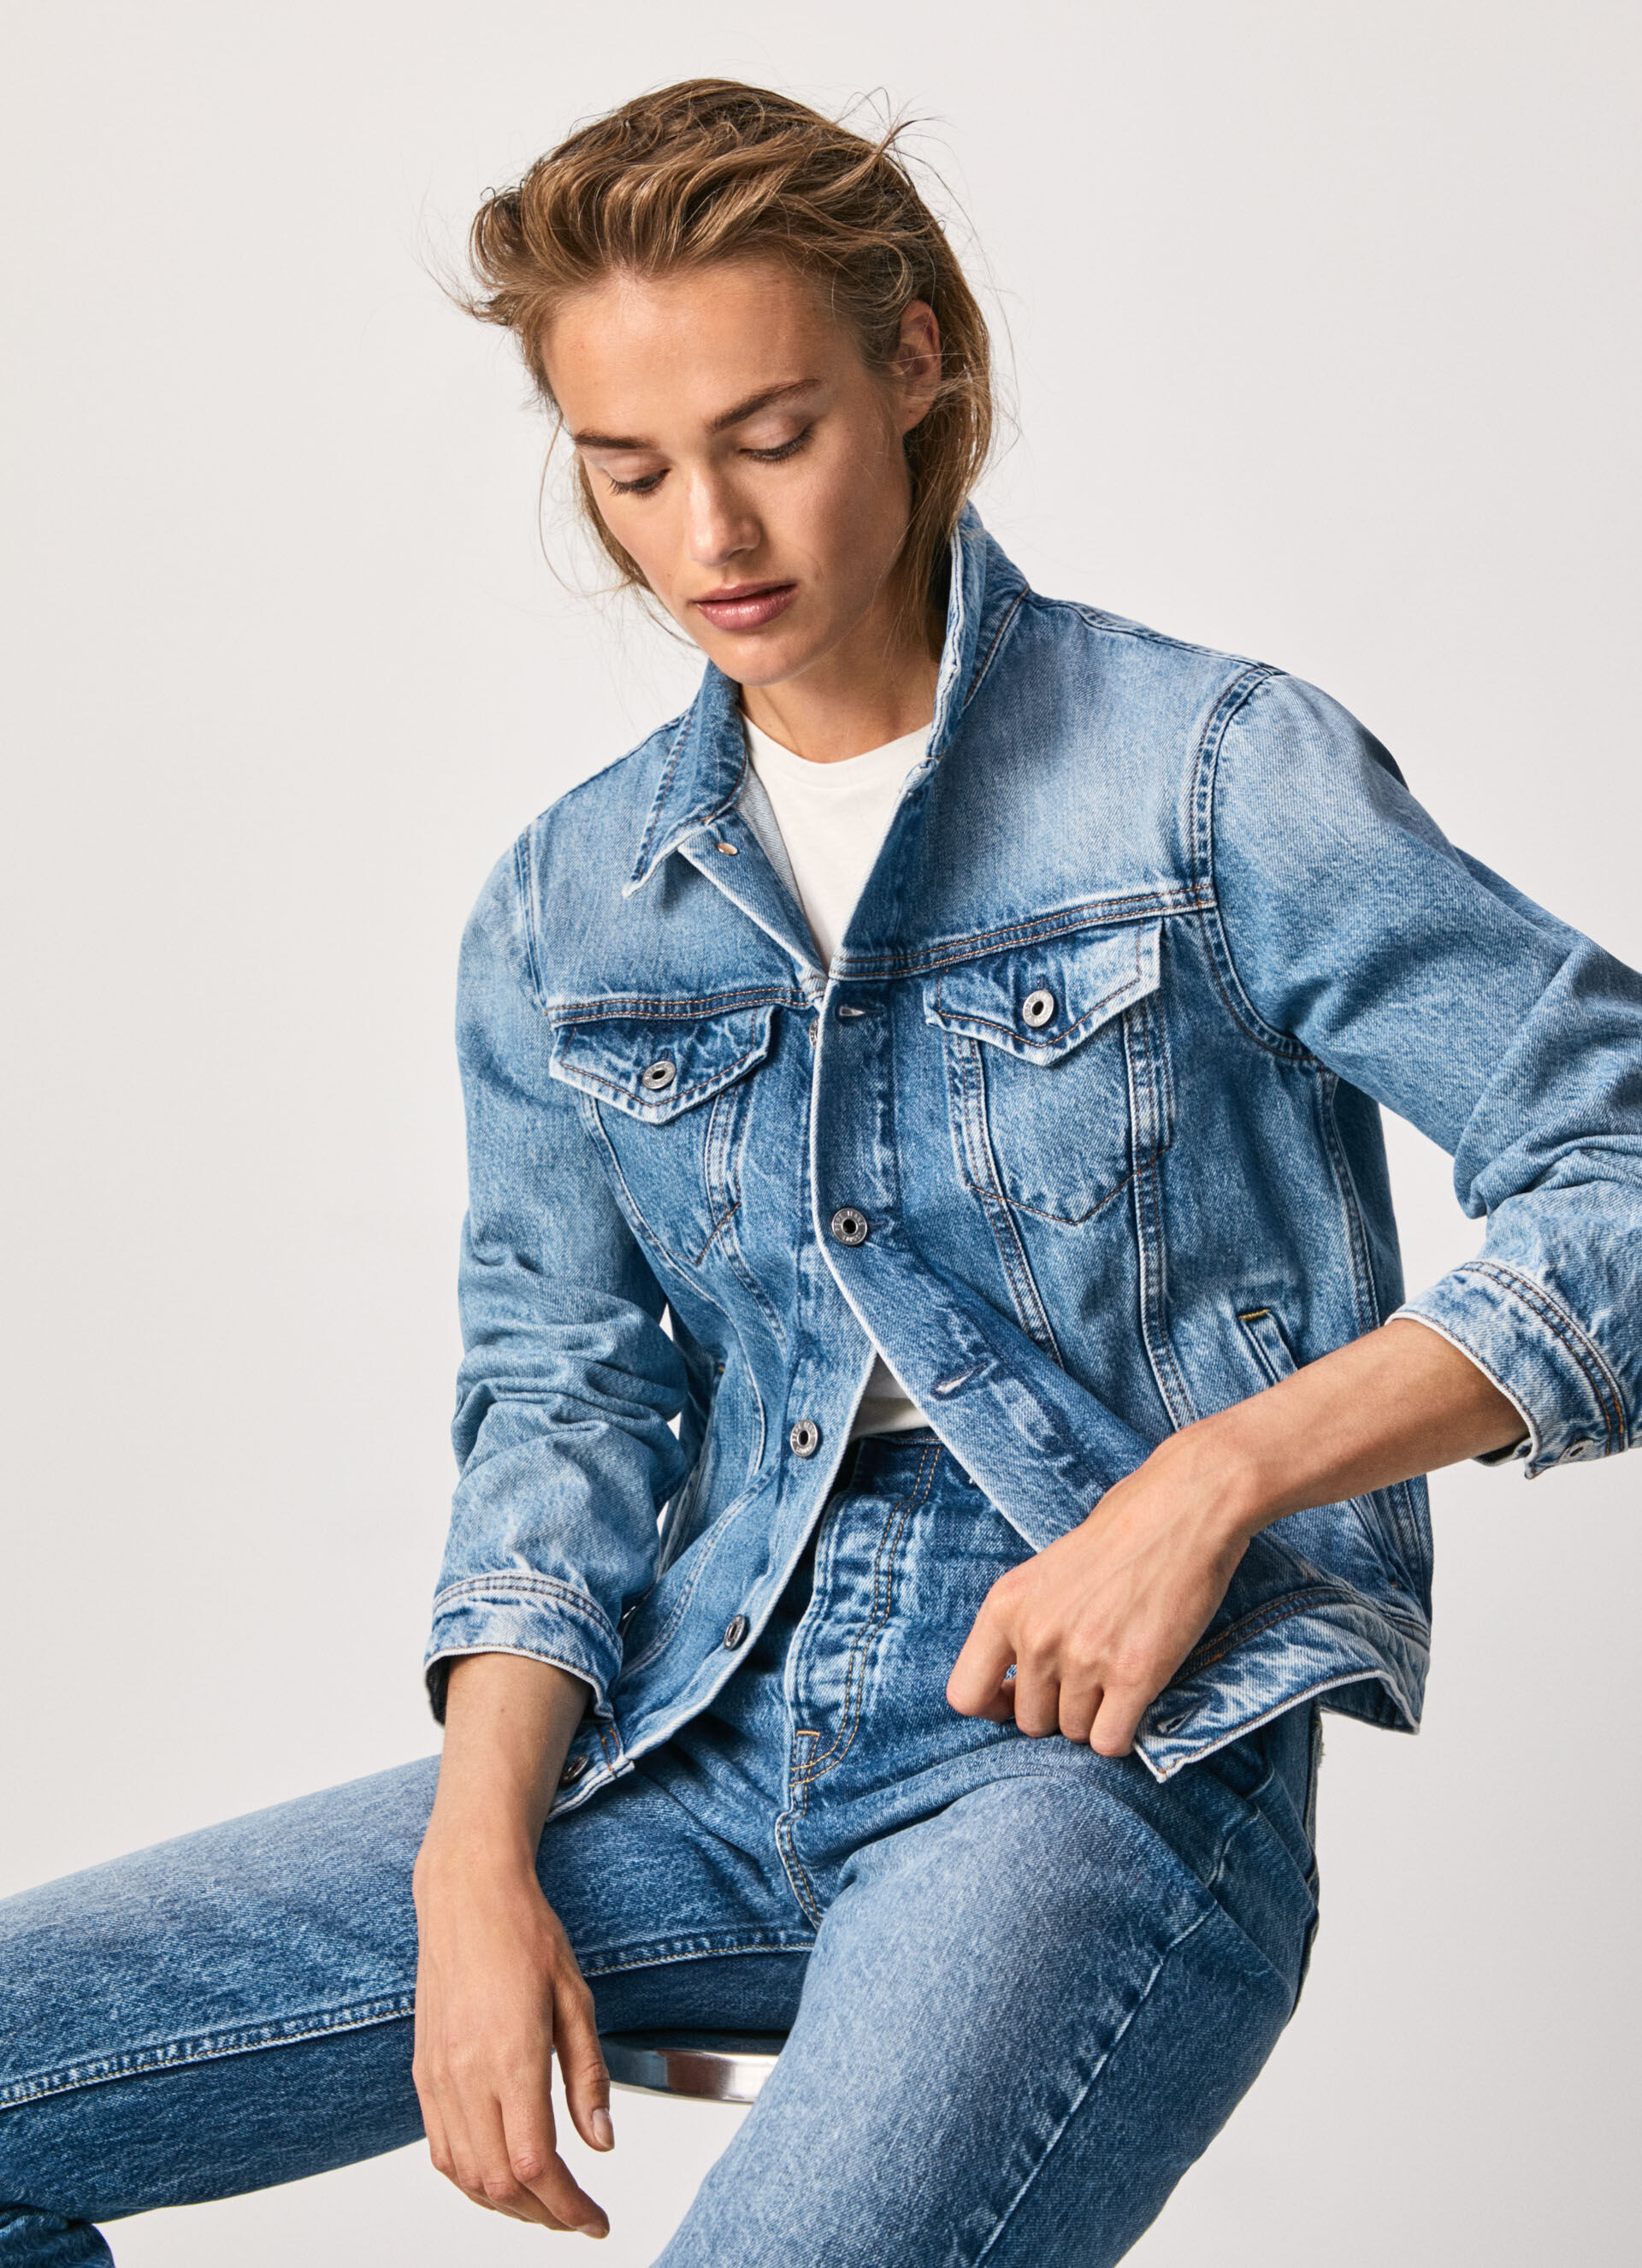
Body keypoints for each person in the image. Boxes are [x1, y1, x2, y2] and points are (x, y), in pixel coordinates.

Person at [1, 76, 1637, 2268]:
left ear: (916, 363)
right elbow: (566, 1406)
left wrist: (1214, 1480)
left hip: (1084, 1755)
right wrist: (473, 1861)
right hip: (689, 1716)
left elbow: (1621, 1161)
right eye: (629, 470)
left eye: (770, 436)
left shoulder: (1207, 775)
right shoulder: (574, 900)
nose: (709, 536)